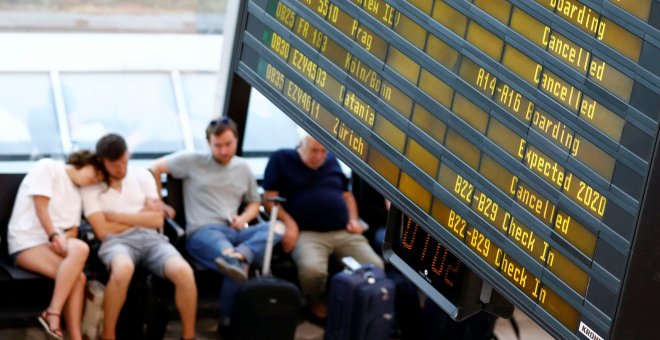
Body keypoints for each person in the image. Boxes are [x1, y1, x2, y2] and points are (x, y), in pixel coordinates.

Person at [150, 117, 284, 325]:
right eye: (217, 145)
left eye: (228, 144)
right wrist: (159, 202)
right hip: (203, 232)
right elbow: (155, 168)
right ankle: (228, 321)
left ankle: (239, 256)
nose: (223, 150)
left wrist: (243, 219)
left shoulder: (243, 168)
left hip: (235, 231)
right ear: (209, 144)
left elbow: (253, 203)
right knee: (236, 266)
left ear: (236, 141)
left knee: (277, 227)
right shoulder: (192, 160)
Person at [81, 133, 197, 340]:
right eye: (115, 165)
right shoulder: (91, 187)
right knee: (123, 269)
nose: (122, 169)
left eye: (125, 162)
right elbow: (102, 231)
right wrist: (141, 215)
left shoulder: (142, 176)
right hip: (116, 242)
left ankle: (188, 336)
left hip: (151, 239)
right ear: (102, 162)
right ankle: (109, 333)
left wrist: (116, 216)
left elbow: (157, 221)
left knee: (184, 273)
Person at [262, 133, 383, 321]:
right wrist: (290, 223)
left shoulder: (332, 161)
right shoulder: (282, 159)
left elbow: (347, 196)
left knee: (375, 267)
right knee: (313, 271)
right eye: (314, 150)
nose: (319, 156)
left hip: (344, 231)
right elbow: (269, 199)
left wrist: (353, 219)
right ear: (301, 146)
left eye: (323, 151)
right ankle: (315, 301)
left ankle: (358, 309)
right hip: (307, 233)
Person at [7, 150, 103, 340]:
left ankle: (71, 332)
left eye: (100, 179)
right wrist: (54, 235)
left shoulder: (77, 194)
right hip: (26, 242)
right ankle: (53, 312)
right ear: (85, 161)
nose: (96, 179)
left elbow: (73, 231)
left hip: (52, 244)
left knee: (79, 273)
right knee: (78, 274)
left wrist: (60, 240)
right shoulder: (49, 167)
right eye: (96, 172)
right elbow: (40, 206)